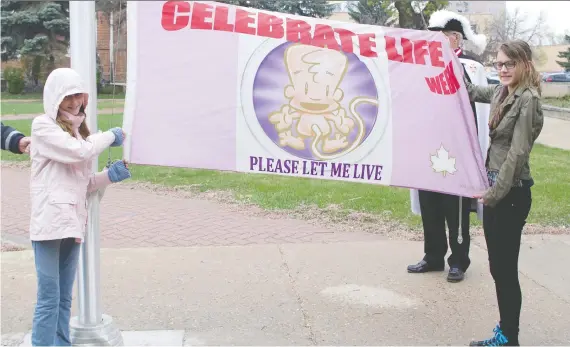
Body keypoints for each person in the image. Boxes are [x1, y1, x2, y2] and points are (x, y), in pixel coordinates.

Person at [29, 68, 132, 346]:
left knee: (64, 297)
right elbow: (80, 152)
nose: (74, 102)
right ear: (55, 98)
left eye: (78, 96)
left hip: (73, 222)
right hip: (50, 223)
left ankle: (62, 343)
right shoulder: (43, 127)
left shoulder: (78, 133)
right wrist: (109, 136)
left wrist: (109, 177)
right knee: (49, 299)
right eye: (68, 97)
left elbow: (84, 183)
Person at [466, 40, 543, 346]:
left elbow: (518, 152)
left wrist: (494, 193)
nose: (503, 70)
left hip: (510, 194)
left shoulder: (528, 100)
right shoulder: (501, 91)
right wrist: (444, 58)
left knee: (505, 269)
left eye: (509, 64)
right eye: (498, 64)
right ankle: (506, 331)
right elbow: (472, 91)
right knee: (498, 266)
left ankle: (508, 336)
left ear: (525, 63)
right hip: (496, 190)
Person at [408, 10, 490, 283]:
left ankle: (458, 261)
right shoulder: (421, 65)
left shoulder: (471, 68)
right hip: (428, 145)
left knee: (454, 208)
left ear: (456, 39)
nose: (438, 41)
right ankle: (432, 257)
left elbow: (479, 109)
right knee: (430, 205)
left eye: (443, 36)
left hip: (457, 149)